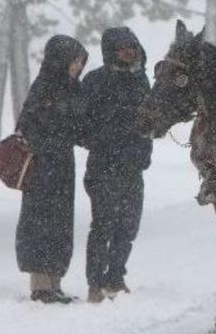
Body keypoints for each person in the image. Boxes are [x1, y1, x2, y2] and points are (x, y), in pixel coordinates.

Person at [81, 27, 153, 303]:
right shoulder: (96, 81)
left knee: (128, 226)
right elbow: (83, 124)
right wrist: (108, 135)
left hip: (133, 167)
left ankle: (116, 277)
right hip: (103, 166)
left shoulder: (141, 81)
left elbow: (149, 121)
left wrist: (143, 148)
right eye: (122, 47)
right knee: (103, 226)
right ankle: (95, 284)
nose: (129, 52)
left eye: (132, 47)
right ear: (111, 50)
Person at [15, 35, 88, 304]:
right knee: (40, 224)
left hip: (60, 168)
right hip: (42, 168)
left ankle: (54, 282)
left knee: (59, 224)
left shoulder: (70, 89)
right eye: (76, 61)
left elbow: (79, 127)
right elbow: (28, 128)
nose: (79, 66)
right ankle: (41, 285)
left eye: (81, 62)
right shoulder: (45, 87)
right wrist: (55, 139)